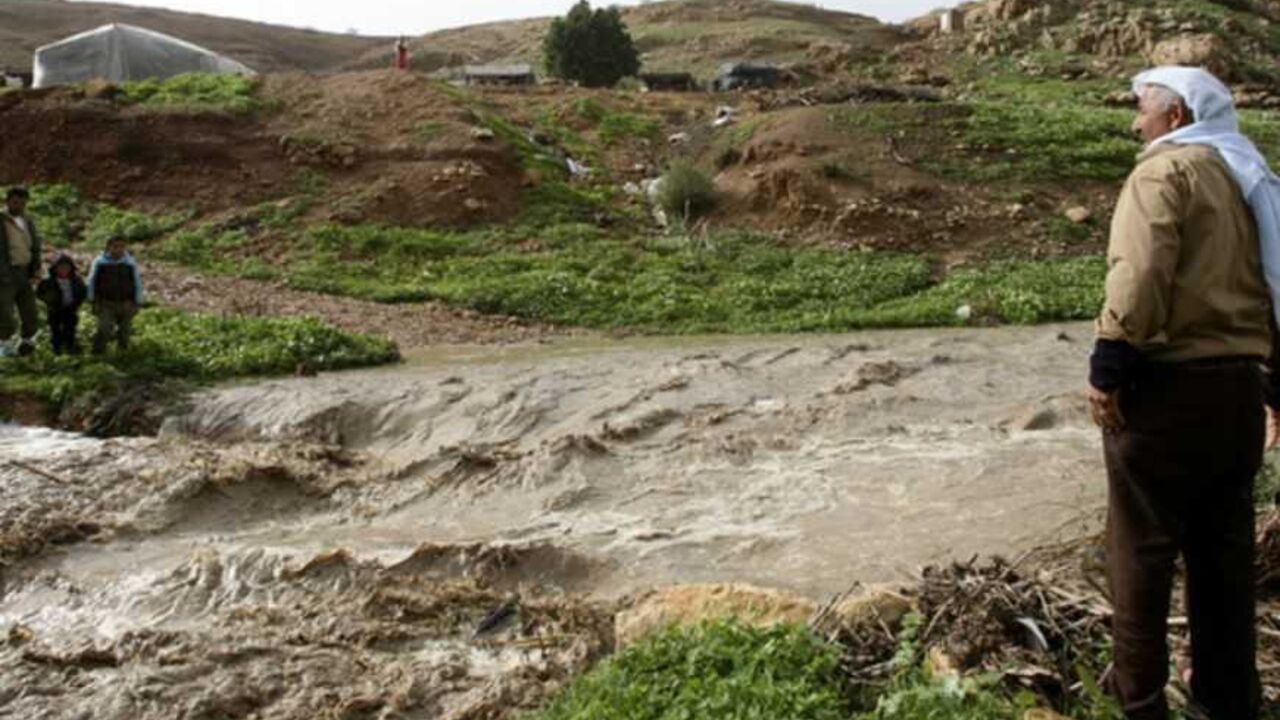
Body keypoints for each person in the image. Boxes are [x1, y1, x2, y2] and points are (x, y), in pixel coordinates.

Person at [1088, 66, 1280, 720]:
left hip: (1166, 396)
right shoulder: (1251, 178)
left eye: (1142, 109)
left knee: (1138, 563)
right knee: (1223, 567)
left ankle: (1139, 708)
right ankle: (1229, 706)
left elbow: (1140, 277)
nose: (1134, 122)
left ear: (1174, 118)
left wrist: (1108, 366)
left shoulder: (1163, 173)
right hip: (1237, 401)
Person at [0, 186, 42, 357]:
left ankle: (27, 345)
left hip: (25, 271)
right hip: (5, 273)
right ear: (8, 201)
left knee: (30, 312)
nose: (19, 206)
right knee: (5, 313)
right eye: (16, 202)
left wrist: (35, 268)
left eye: (23, 203)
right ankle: (5, 348)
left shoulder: (27, 220)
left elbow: (35, 246)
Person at [86, 235, 144, 354]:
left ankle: (122, 354)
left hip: (126, 303)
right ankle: (98, 353)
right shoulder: (100, 262)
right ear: (108, 247)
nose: (118, 249)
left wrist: (137, 301)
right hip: (105, 303)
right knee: (104, 328)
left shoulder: (129, 263)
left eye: (122, 247)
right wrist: (92, 300)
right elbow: (91, 281)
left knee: (124, 331)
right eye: (115, 246)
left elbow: (137, 282)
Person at [36, 253, 87, 355]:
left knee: (70, 329)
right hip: (55, 309)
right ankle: (57, 350)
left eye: (66, 267)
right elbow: (39, 293)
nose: (63, 270)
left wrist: (77, 303)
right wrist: (49, 301)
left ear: (71, 268)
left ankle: (70, 348)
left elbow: (82, 292)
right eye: (60, 267)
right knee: (55, 330)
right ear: (54, 268)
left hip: (71, 309)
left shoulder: (76, 281)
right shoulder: (48, 282)